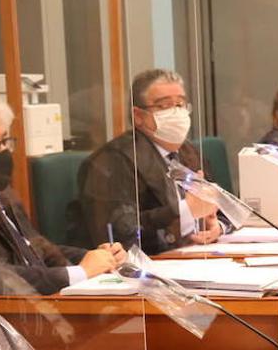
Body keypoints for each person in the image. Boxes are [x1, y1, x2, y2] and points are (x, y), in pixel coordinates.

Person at [0, 90, 124, 295]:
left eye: (4, 141)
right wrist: (79, 272)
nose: (1, 152)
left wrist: (97, 256)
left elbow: (36, 248)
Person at [73, 69, 224, 254]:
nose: (176, 112)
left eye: (180, 104)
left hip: (192, 257)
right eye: (164, 106)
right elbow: (121, 235)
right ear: (138, 116)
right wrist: (185, 212)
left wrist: (216, 227)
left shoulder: (187, 151)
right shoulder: (112, 162)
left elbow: (223, 208)